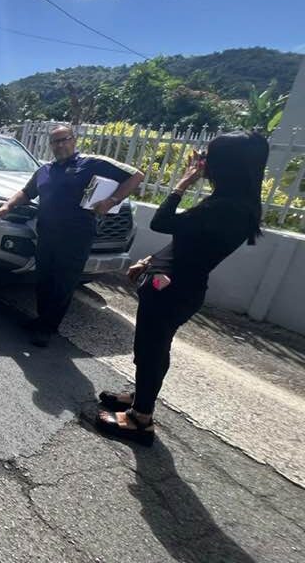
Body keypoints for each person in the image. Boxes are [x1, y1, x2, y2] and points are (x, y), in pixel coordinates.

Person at [96, 132, 270, 445]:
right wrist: (150, 259)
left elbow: (162, 222)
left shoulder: (227, 208)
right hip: (174, 285)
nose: (204, 159)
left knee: (152, 350)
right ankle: (140, 398)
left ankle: (140, 419)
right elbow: (190, 242)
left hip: (173, 292)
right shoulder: (232, 203)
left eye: (211, 155)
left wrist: (184, 182)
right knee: (149, 349)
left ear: (226, 164)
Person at [0, 125, 144, 346]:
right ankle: (41, 320)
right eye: (55, 141)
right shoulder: (45, 170)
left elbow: (136, 176)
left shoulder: (91, 163)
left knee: (63, 283)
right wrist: (8, 205)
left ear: (74, 140)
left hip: (76, 237)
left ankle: (48, 328)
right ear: (51, 145)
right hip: (47, 234)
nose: (60, 145)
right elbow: (27, 192)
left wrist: (112, 201)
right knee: (44, 280)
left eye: (64, 139)